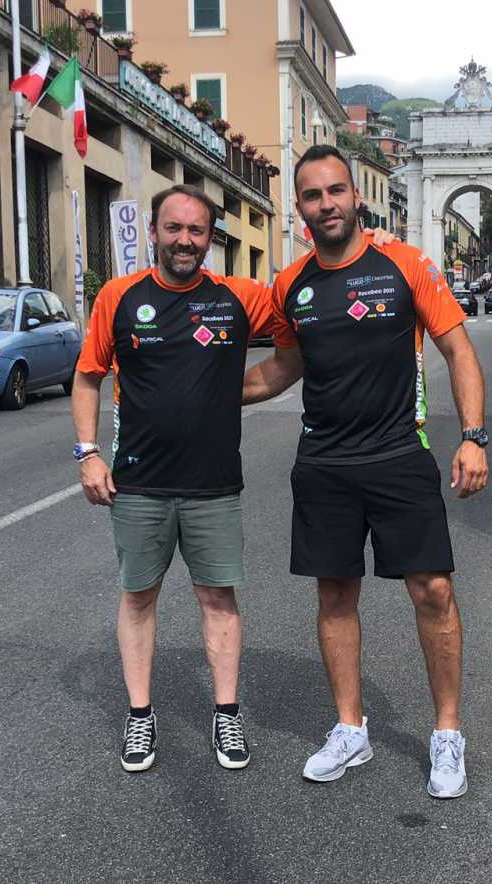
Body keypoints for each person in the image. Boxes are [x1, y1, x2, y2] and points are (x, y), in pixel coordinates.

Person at [72, 184, 397, 776]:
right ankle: (140, 714)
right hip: (138, 483)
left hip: (215, 484)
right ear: (153, 231)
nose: (185, 240)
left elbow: (303, 313)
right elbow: (88, 375)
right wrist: (88, 453)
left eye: (197, 231)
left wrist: (367, 252)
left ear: (211, 239)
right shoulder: (118, 297)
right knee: (138, 596)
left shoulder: (239, 298)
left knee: (218, 598)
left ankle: (227, 713)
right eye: (174, 228)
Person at [243, 145, 489, 800]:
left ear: (356, 197)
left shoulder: (406, 265)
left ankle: (447, 733)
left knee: (432, 590)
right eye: (312, 195)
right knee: (335, 594)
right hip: (323, 462)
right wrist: (211, 393)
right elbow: (283, 367)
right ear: (300, 208)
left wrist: (473, 437)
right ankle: (350, 729)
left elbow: (458, 349)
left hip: (398, 454)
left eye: (335, 191)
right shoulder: (291, 285)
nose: (325, 204)